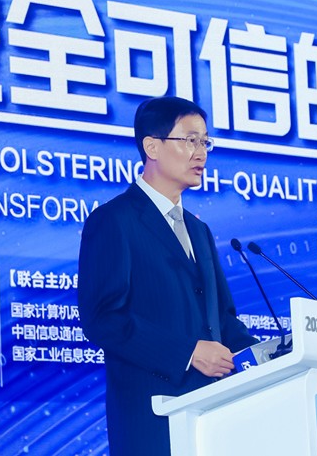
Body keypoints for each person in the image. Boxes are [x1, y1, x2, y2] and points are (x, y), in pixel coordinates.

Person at [77, 96, 258, 456]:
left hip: (212, 419)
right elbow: (103, 319)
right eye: (190, 140)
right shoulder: (114, 220)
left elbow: (222, 320)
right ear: (152, 147)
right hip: (152, 421)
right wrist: (188, 353)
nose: (201, 153)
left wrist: (270, 355)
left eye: (205, 142)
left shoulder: (199, 231)